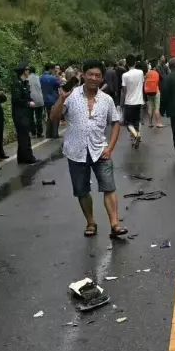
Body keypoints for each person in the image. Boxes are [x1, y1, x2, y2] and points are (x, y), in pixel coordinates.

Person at [50, 59, 127, 239]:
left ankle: (115, 224)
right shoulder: (71, 96)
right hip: (75, 152)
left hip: (100, 150)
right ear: (83, 75)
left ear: (101, 79)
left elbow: (116, 123)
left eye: (97, 75)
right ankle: (91, 222)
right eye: (90, 74)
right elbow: (54, 118)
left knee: (109, 187)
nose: (94, 78)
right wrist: (61, 99)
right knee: (82, 190)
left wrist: (111, 147)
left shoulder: (106, 100)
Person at [11, 65, 37, 164]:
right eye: (27, 70)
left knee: (23, 135)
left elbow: (26, 96)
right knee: (24, 136)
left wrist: (30, 101)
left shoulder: (25, 83)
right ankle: (28, 158)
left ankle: (21, 157)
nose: (28, 71)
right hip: (19, 114)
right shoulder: (17, 84)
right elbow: (16, 99)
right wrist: (27, 103)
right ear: (23, 71)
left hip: (25, 113)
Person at [121, 55, 144, 148]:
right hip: (139, 101)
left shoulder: (125, 75)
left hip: (129, 102)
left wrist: (122, 102)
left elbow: (124, 90)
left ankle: (136, 135)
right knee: (137, 120)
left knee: (128, 122)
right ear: (135, 63)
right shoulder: (140, 72)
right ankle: (137, 135)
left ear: (126, 63)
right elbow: (142, 84)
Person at [41, 63, 62, 138]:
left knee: (49, 116)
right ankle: (55, 133)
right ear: (50, 69)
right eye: (53, 69)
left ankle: (48, 133)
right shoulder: (53, 78)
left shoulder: (41, 78)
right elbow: (59, 85)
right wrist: (57, 76)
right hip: (53, 99)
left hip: (45, 99)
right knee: (56, 116)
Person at [144, 62, 164, 127]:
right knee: (157, 108)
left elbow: (144, 81)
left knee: (150, 107)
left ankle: (150, 123)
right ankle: (158, 123)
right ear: (155, 67)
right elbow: (161, 80)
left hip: (148, 92)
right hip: (156, 91)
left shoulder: (147, 73)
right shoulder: (156, 73)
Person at [28, 67, 44, 138]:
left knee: (31, 117)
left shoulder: (27, 79)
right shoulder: (38, 77)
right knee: (39, 117)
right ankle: (39, 133)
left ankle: (33, 133)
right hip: (39, 99)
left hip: (31, 99)